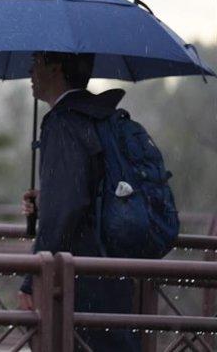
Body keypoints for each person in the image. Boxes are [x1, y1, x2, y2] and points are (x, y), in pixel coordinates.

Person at [18, 52, 139, 351]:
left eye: (36, 61)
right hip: (114, 271)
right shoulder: (100, 114)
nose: (30, 70)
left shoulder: (63, 122)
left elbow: (66, 210)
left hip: (78, 280)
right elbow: (88, 191)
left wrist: (31, 279)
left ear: (55, 67)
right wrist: (48, 200)